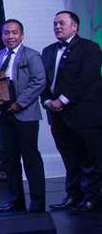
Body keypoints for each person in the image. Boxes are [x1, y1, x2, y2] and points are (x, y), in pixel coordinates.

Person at [41, 11, 102, 212]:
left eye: (62, 23)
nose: (57, 26)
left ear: (74, 27)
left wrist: (63, 100)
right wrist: (48, 99)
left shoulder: (90, 48)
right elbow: (44, 81)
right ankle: (73, 195)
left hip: (83, 113)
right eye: (55, 23)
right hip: (58, 116)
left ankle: (92, 196)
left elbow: (87, 78)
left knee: (90, 157)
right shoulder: (49, 50)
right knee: (69, 157)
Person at [0, 19, 47, 213]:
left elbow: (39, 81)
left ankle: (38, 203)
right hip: (4, 115)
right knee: (9, 160)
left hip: (25, 114)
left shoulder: (32, 55)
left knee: (31, 159)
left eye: (14, 33)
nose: (10, 36)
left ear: (22, 35)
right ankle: (16, 201)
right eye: (7, 33)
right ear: (2, 35)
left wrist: (19, 103)